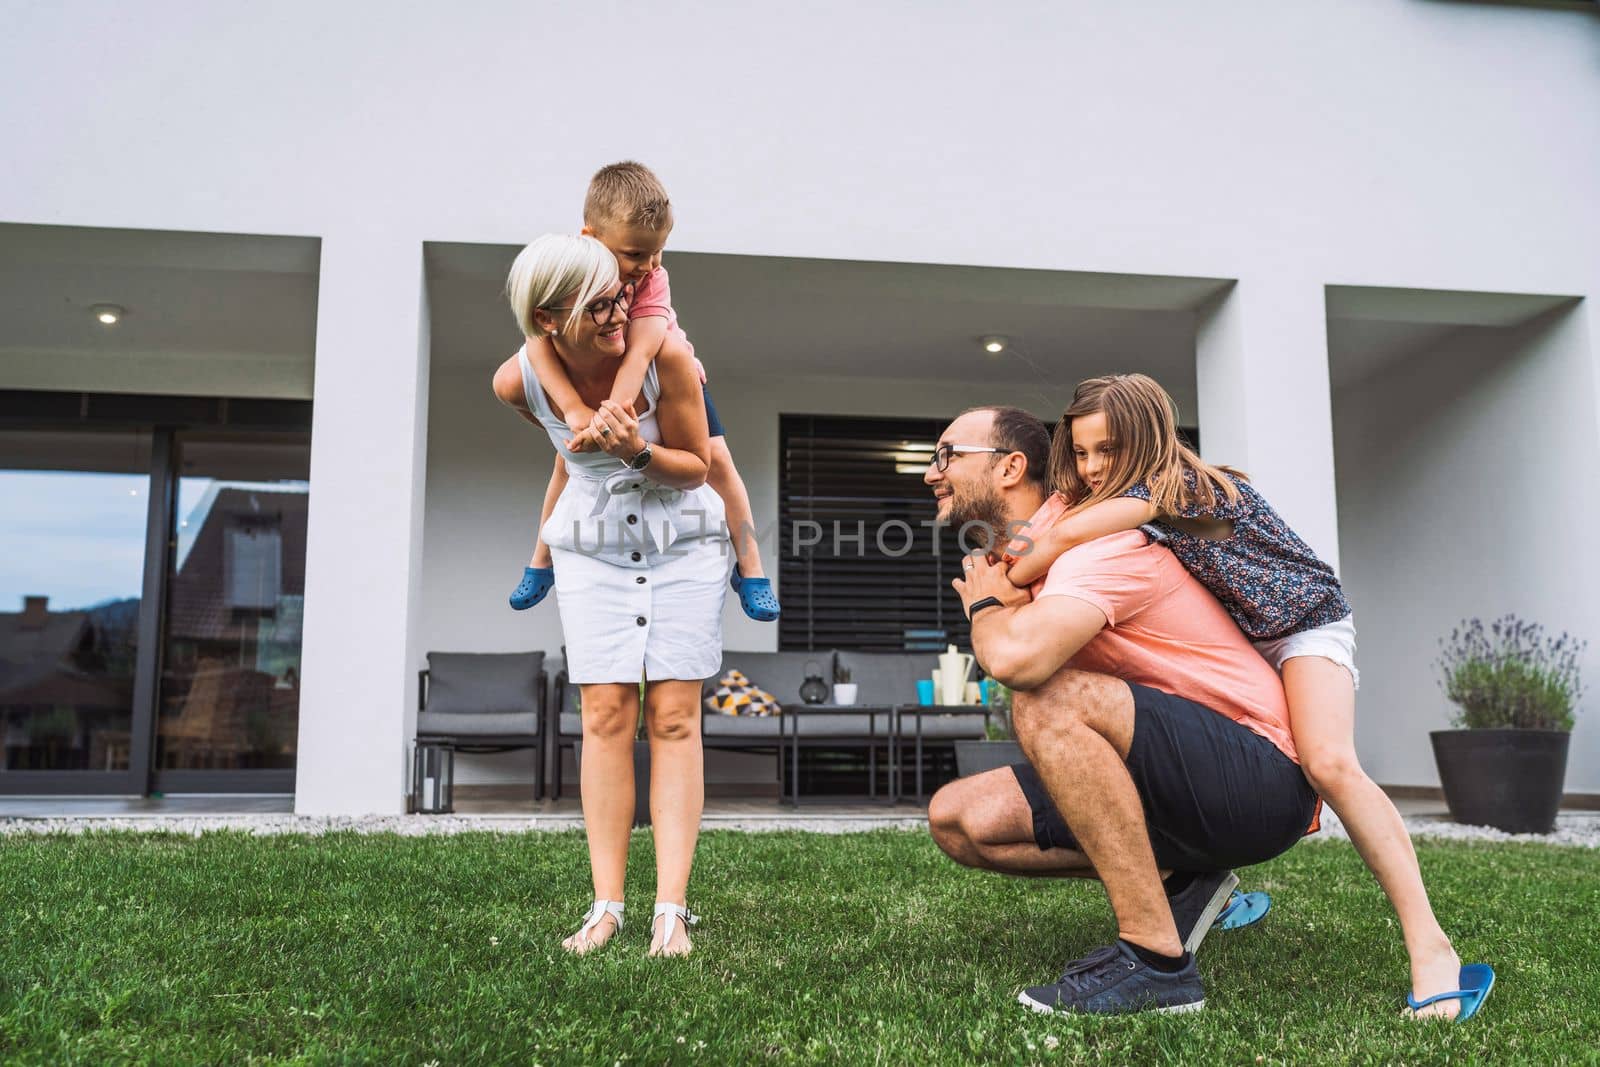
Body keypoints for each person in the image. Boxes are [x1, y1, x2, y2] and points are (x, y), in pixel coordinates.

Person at [1002, 374, 1488, 1020]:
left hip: (1302, 626)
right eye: (1083, 451)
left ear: (1148, 440)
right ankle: (1199, 881)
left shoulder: (1174, 486)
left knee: (1327, 762)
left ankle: (1433, 949)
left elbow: (1043, 549)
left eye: (1108, 451)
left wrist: (1022, 555)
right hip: (1242, 637)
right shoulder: (1115, 494)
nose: (1092, 468)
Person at [925, 405, 1320, 1016]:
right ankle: (1185, 885)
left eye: (947, 455)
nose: (932, 472)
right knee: (958, 818)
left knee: (1049, 697)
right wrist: (997, 603)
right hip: (1168, 771)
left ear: (1010, 467)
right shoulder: (1026, 557)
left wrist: (986, 609)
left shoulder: (1096, 547)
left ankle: (1158, 963)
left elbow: (1017, 664)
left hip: (1258, 777)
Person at [492, 233, 727, 957]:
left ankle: (672, 911)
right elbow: (567, 452)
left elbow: (697, 465)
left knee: (676, 715)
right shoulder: (516, 380)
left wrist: (637, 451)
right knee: (604, 714)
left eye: (621, 294)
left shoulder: (669, 359)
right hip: (592, 548)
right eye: (599, 304)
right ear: (550, 317)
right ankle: (605, 909)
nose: (621, 310)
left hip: (682, 541)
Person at [507, 161, 778, 622]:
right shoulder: (570, 273)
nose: (649, 265)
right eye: (636, 253)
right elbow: (536, 344)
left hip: (660, 377)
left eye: (659, 252)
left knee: (721, 465)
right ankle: (542, 558)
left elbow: (643, 349)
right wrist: (571, 415)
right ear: (592, 237)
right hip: (599, 378)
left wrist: (613, 411)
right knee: (567, 462)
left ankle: (751, 567)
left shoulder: (653, 279)